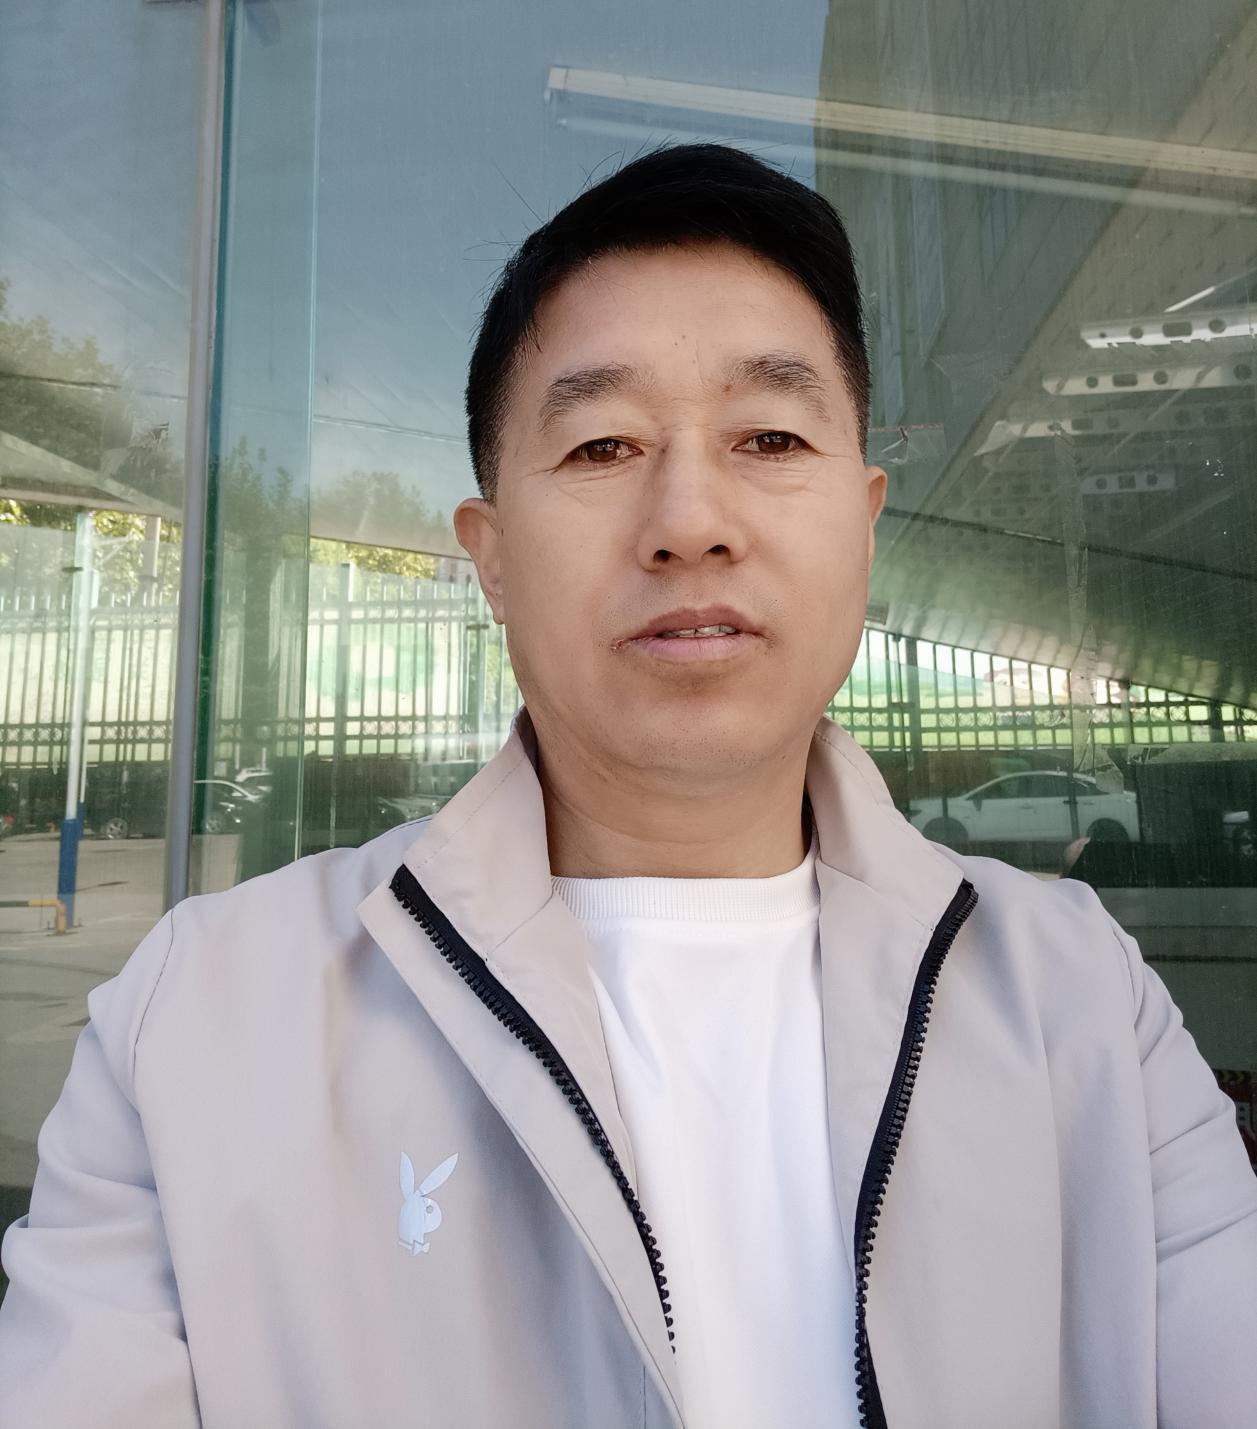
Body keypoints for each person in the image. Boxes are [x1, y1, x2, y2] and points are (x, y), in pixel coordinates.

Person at [1, 142, 1253, 1429]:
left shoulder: (1079, 1004)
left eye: (771, 435)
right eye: (602, 445)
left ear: (866, 521)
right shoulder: (200, 1023)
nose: (690, 518)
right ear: (490, 558)